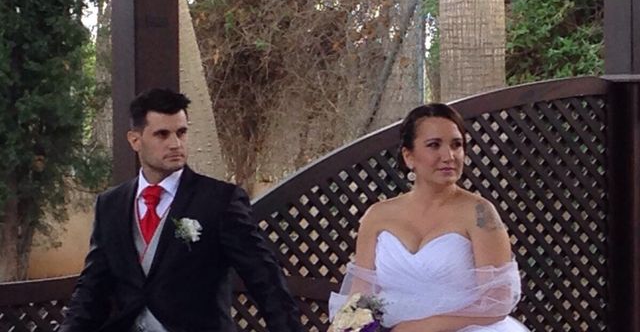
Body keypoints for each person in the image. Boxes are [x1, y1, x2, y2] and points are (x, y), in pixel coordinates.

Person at [61, 88, 304, 332]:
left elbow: (265, 278)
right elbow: (92, 289)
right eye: (162, 134)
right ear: (135, 140)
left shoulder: (220, 200)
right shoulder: (110, 204)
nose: (175, 144)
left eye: (181, 132)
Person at [329, 103, 530, 332]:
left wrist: (420, 328)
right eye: (434, 145)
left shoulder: (480, 213)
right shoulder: (377, 216)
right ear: (409, 156)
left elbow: (497, 301)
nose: (449, 156)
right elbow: (361, 293)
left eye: (457, 145)